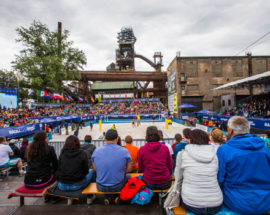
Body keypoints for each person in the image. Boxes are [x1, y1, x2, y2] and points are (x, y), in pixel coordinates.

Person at [217, 116, 270, 214]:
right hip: (265, 202)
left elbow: (219, 179)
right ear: (248, 129)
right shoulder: (263, 147)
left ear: (230, 131)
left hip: (237, 202)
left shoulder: (224, 149)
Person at [175, 129, 223, 214]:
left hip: (192, 203)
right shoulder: (214, 156)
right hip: (215, 203)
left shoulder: (182, 155)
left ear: (190, 141)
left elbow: (178, 177)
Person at [92, 129, 132, 205]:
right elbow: (129, 169)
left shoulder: (97, 151)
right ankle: (117, 197)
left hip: (101, 186)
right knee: (127, 176)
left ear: (105, 138)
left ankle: (108, 198)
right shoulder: (124, 151)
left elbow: (95, 169)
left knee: (107, 178)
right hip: (117, 186)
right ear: (117, 138)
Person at [57, 135, 95, 203]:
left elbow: (59, 168)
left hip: (62, 185)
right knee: (92, 171)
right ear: (78, 143)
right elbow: (86, 171)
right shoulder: (82, 153)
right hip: (77, 185)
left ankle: (70, 198)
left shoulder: (62, 153)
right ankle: (90, 197)